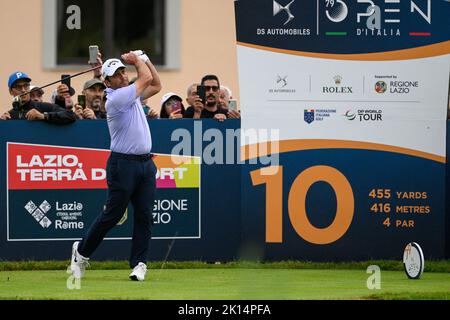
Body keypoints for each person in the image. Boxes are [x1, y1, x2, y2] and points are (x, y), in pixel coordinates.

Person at [70, 51, 161, 282]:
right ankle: (81, 253)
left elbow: (157, 84)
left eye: (123, 71)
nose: (122, 76)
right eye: (116, 74)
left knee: (145, 216)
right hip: (123, 164)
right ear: (107, 82)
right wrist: (137, 59)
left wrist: (146, 58)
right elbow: (146, 79)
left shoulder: (132, 96)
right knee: (112, 215)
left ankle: (139, 264)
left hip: (146, 165)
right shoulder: (116, 99)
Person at [1, 71, 77, 124]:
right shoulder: (9, 115)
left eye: (26, 85)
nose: (23, 90)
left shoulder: (42, 106)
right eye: (18, 87)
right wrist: (2, 124)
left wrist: (43, 116)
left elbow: (71, 115)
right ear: (10, 91)